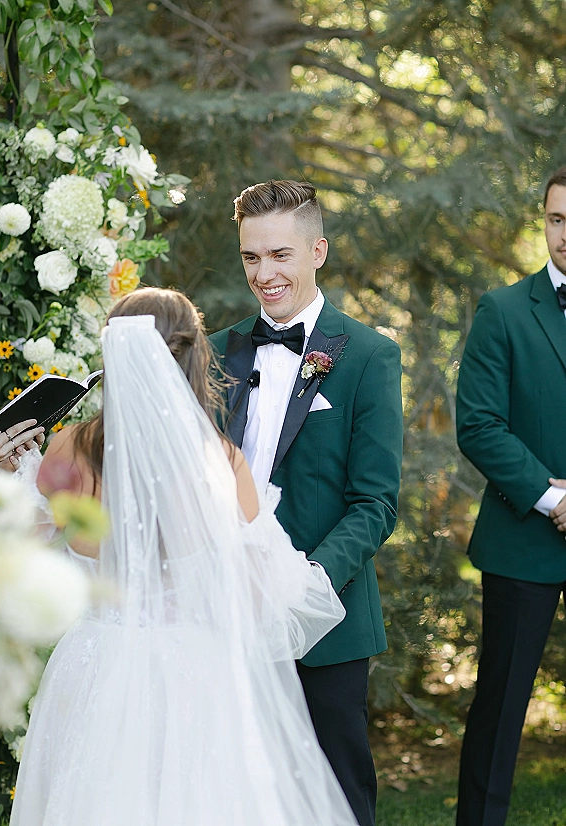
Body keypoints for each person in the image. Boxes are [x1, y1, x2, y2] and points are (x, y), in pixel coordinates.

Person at [10, 286, 359, 826]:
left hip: (94, 663)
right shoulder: (220, 463)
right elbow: (265, 592)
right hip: (193, 669)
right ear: (194, 358)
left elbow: (16, 541)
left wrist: (6, 470)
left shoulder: (70, 452)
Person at [210, 180, 403, 826]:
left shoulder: (370, 356)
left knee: (338, 799)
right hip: (229, 618)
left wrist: (304, 585)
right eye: (251, 258)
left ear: (318, 250)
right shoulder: (217, 352)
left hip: (327, 624)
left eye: (281, 255)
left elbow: (375, 502)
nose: (264, 274)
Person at [455, 166, 566, 826]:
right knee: (498, 711)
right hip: (522, 538)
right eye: (557, 219)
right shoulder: (502, 311)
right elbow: (478, 425)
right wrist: (553, 501)